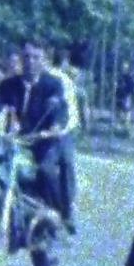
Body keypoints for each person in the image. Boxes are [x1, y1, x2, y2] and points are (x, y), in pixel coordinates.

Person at [0, 42, 69, 220]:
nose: (30, 62)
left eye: (36, 57)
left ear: (44, 61)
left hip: (44, 141)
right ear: (21, 59)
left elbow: (60, 109)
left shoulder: (53, 85)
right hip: (17, 140)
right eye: (26, 57)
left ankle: (58, 214)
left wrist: (54, 127)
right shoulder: (8, 85)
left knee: (46, 170)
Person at [49, 48, 82, 233]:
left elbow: (69, 111)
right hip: (35, 132)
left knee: (66, 162)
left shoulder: (62, 80)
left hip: (61, 132)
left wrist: (60, 129)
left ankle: (67, 211)